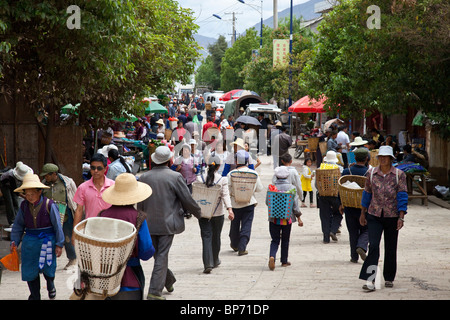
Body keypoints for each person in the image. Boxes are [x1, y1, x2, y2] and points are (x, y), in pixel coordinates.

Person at [137, 146, 201, 300]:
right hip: (168, 224)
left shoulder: (144, 177)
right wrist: (199, 213)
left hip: (148, 224)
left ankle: (168, 280)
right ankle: (154, 292)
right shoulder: (175, 177)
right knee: (161, 256)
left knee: (159, 255)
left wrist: (139, 223)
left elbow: (140, 203)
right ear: (169, 160)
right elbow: (187, 199)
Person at [98, 173, 155, 300]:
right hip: (130, 279)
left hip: (105, 279)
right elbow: (146, 252)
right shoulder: (138, 217)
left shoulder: (102, 215)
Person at [359, 146, 408, 291]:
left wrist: (401, 216)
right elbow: (367, 193)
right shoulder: (371, 173)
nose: (383, 159)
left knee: (391, 247)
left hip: (392, 216)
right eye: (381, 156)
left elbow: (402, 195)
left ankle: (389, 277)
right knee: (373, 246)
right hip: (374, 214)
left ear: (391, 158)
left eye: (386, 156)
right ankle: (370, 279)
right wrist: (363, 212)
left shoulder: (399, 175)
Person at [10, 173, 64, 300]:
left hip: (47, 240)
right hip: (30, 242)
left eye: (32, 194)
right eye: (27, 194)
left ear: (39, 191)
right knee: (30, 269)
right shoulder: (23, 206)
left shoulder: (49, 205)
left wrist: (59, 244)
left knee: (48, 268)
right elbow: (18, 225)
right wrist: (14, 241)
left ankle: (50, 284)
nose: (29, 197)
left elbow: (57, 226)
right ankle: (35, 295)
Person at [40, 163, 78, 270]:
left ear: (54, 174)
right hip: (49, 217)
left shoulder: (68, 183)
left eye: (47, 175)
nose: (45, 177)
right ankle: (49, 262)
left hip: (66, 216)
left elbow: (75, 197)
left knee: (67, 238)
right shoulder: (43, 185)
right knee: (50, 239)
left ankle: (72, 259)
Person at [197, 161, 233, 274]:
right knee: (216, 236)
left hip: (203, 213)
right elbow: (225, 195)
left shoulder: (199, 179)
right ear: (218, 166)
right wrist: (230, 209)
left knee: (206, 237)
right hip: (218, 213)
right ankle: (215, 259)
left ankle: (208, 263)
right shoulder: (222, 180)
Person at [72, 153, 115, 244]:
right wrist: (74, 233)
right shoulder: (83, 187)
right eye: (93, 168)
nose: (95, 171)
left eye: (99, 168)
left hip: (110, 230)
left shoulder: (113, 186)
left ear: (105, 169)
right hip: (90, 230)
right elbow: (79, 210)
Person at [227, 150, 263, 256]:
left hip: (235, 204)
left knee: (234, 224)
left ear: (236, 161)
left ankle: (234, 244)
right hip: (249, 203)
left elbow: (227, 190)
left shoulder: (231, 174)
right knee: (246, 225)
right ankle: (242, 247)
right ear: (247, 161)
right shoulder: (254, 173)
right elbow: (259, 188)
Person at [267, 166, 303, 270]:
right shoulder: (292, 188)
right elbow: (295, 205)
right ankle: (284, 261)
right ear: (287, 176)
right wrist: (299, 216)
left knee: (274, 240)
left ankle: (272, 256)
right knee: (285, 240)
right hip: (287, 219)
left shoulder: (271, 187)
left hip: (273, 218)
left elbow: (267, 202)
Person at [339, 148, 369, 263]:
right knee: (366, 230)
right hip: (364, 207)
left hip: (349, 207)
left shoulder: (347, 171)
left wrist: (341, 204)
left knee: (353, 232)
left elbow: (340, 188)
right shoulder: (369, 172)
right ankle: (361, 246)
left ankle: (353, 256)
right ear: (366, 159)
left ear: (355, 158)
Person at [317, 151, 343, 243]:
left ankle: (326, 237)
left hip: (323, 195)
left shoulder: (320, 168)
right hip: (336, 195)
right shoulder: (340, 169)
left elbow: (317, 185)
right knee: (338, 213)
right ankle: (333, 230)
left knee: (324, 216)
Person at [0, 161, 33, 226]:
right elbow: (14, 190)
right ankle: (12, 221)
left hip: (12, 185)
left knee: (16, 201)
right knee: (9, 202)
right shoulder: (10, 175)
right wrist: (24, 196)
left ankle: (17, 219)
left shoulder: (20, 176)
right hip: (4, 185)